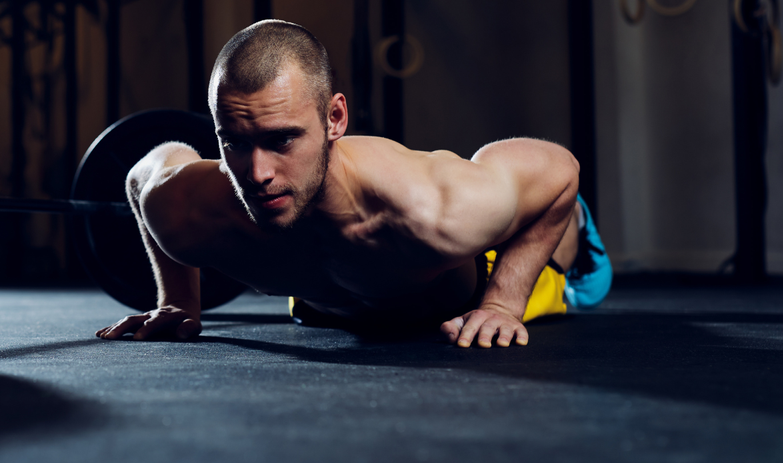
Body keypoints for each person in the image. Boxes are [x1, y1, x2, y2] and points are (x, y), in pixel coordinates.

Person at [96, 20, 612, 348]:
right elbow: (145, 174)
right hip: (333, 300)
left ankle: (575, 236)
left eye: (282, 140)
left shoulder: (435, 211)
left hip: (474, 275)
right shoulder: (191, 208)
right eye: (233, 141)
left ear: (335, 118)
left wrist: (502, 303)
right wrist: (180, 302)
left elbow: (558, 168)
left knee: (538, 217)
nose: (256, 174)